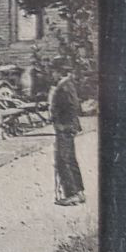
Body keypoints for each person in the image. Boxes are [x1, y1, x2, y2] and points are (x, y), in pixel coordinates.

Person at [49, 66, 86, 206]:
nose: (52, 74)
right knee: (70, 159)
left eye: (53, 71)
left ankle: (72, 194)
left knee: (63, 160)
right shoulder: (65, 85)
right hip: (66, 127)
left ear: (58, 72)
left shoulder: (64, 86)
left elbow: (73, 107)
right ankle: (79, 192)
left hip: (65, 128)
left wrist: (64, 125)